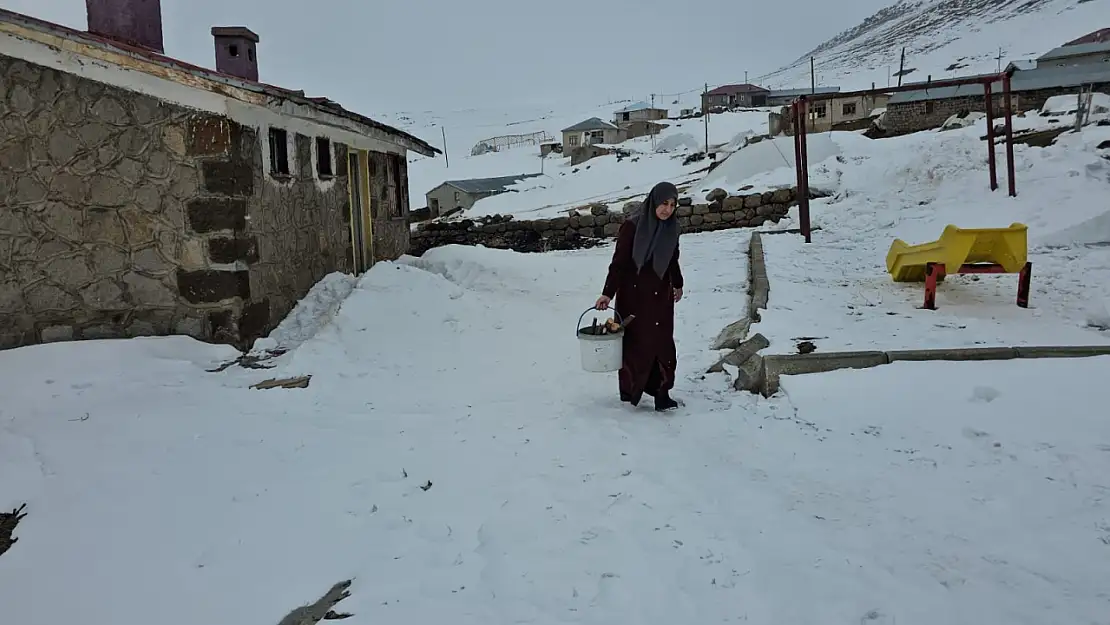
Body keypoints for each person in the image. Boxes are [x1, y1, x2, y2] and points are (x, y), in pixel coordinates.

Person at [594, 181, 683, 412]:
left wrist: (678, 284)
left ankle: (662, 393)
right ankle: (631, 390)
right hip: (634, 296)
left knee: (663, 344)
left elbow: (673, 259)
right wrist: (607, 293)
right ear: (654, 201)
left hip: (661, 297)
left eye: (672, 205)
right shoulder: (632, 226)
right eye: (664, 203)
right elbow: (619, 263)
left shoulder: (672, 227)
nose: (668, 209)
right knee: (636, 345)